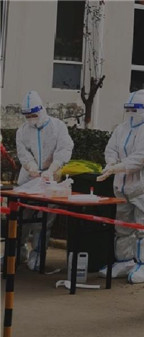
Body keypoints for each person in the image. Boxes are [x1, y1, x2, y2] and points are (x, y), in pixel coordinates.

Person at [96, 90, 144, 284]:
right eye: (129, 109)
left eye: (136, 109)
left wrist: (117, 167)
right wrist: (111, 162)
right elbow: (111, 148)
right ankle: (124, 261)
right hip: (123, 182)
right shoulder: (122, 128)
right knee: (122, 225)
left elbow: (142, 156)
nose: (132, 113)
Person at [16, 90, 74, 270]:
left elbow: (65, 148)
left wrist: (53, 168)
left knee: (44, 221)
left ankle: (38, 254)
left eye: (33, 115)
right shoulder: (23, 130)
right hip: (28, 181)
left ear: (41, 110)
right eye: (28, 116)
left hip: (50, 180)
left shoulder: (57, 127)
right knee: (20, 219)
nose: (31, 119)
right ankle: (17, 252)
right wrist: (31, 167)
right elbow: (23, 153)